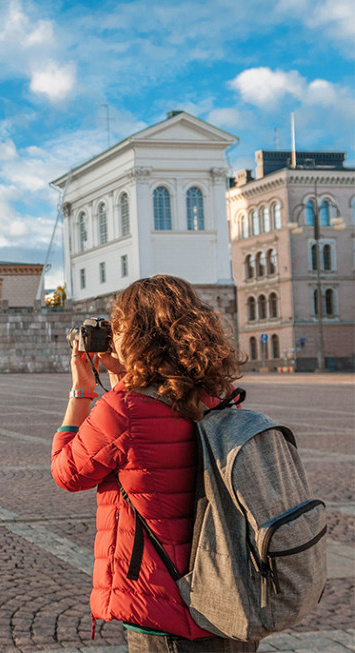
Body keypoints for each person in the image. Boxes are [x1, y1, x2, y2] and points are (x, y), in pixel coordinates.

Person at [51, 275, 252, 652]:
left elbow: (67, 471)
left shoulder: (123, 409)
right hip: (230, 598)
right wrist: (126, 377)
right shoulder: (220, 397)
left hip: (166, 608)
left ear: (135, 336)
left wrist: (82, 391)